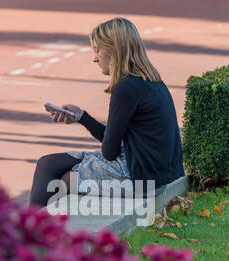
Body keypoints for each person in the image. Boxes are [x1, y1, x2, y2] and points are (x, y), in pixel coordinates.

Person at [30, 17, 185, 207]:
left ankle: (33, 231)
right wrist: (82, 117)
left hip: (144, 179)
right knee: (47, 163)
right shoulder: (151, 81)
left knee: (63, 181)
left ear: (113, 51)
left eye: (98, 50)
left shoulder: (126, 88)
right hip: (158, 170)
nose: (95, 58)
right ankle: (34, 229)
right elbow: (113, 140)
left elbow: (109, 151)